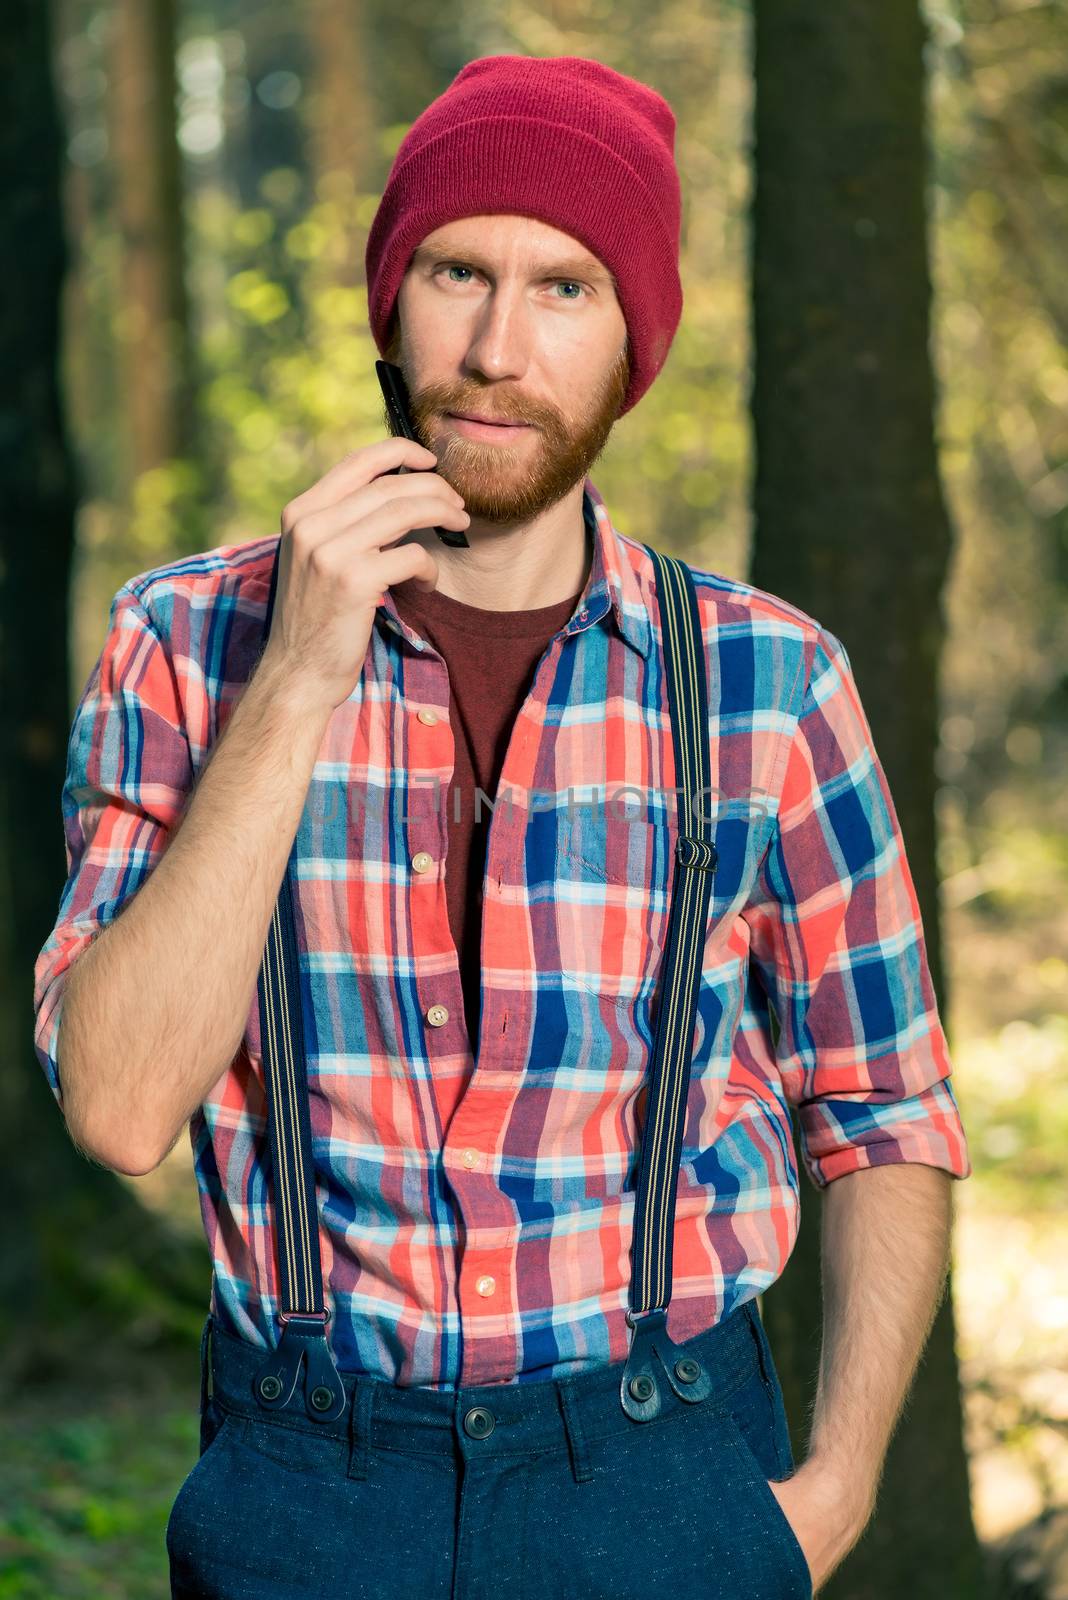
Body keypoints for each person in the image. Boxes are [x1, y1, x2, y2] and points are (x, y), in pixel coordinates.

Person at [32, 54, 971, 1600]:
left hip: (666, 1473)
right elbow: (122, 1108)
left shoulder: (768, 682)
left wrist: (837, 1489)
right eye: (459, 271)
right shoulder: (188, 642)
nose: (495, 345)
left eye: (565, 286)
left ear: (632, 345)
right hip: (304, 1485)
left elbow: (883, 1107)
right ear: (391, 302)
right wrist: (301, 677)